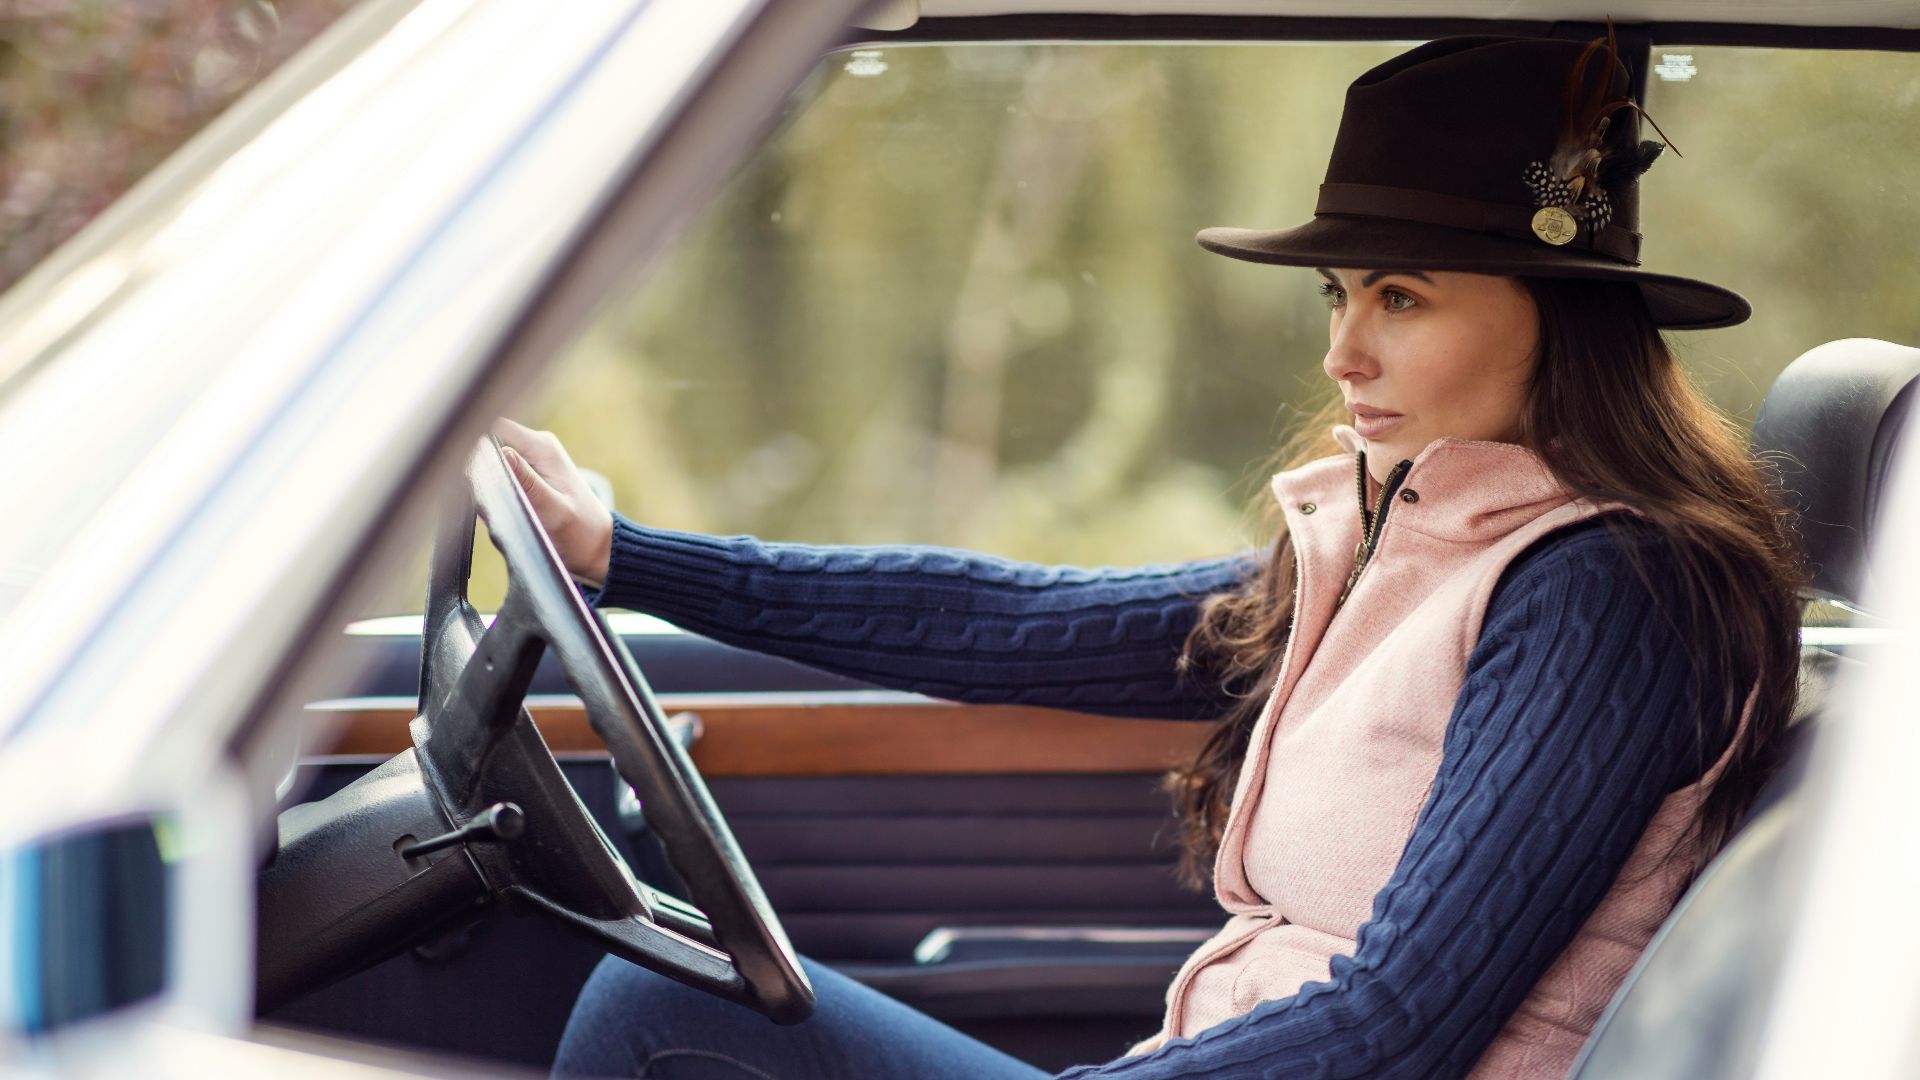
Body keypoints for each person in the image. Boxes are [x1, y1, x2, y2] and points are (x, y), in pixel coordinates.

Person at [517, 32, 1805, 1080]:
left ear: (1564, 320)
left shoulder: (1611, 588)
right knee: (667, 987)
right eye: (1336, 295)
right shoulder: (1404, 547)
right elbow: (1015, 623)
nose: (1341, 354)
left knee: (660, 1010)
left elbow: (1402, 1023)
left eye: (1399, 297)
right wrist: (622, 552)